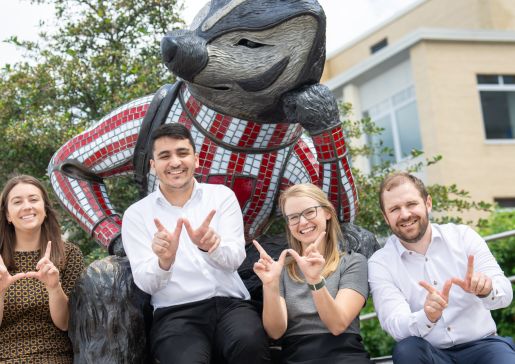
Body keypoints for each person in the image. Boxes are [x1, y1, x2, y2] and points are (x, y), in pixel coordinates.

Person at [122, 123, 270, 364]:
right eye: (164, 156)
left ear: (196, 159)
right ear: (153, 165)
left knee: (249, 345)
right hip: (176, 313)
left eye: (182, 153)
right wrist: (164, 261)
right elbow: (145, 283)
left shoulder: (221, 196)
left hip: (231, 305)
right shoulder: (136, 215)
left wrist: (211, 246)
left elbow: (235, 260)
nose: (175, 162)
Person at [368, 172, 515, 364]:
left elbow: (505, 295)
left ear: (428, 203)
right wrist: (427, 316)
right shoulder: (380, 263)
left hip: (483, 345)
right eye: (395, 209)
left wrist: (486, 290)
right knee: (406, 350)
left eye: (411, 204)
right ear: (386, 217)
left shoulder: (463, 237)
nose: (405, 214)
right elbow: (395, 324)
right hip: (431, 354)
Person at [253, 183, 372, 364]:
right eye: (293, 217)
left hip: (345, 355)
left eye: (309, 212)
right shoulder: (281, 268)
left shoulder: (353, 262)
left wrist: (314, 280)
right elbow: (275, 331)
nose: (302, 222)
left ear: (327, 212)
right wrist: (270, 284)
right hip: (296, 356)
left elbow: (337, 325)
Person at [0, 175, 85, 363]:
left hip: (54, 357)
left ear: (45, 209)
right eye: (17, 202)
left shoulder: (69, 254)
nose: (27, 206)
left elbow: (66, 324)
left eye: (33, 199)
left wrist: (54, 288)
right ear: (7, 214)